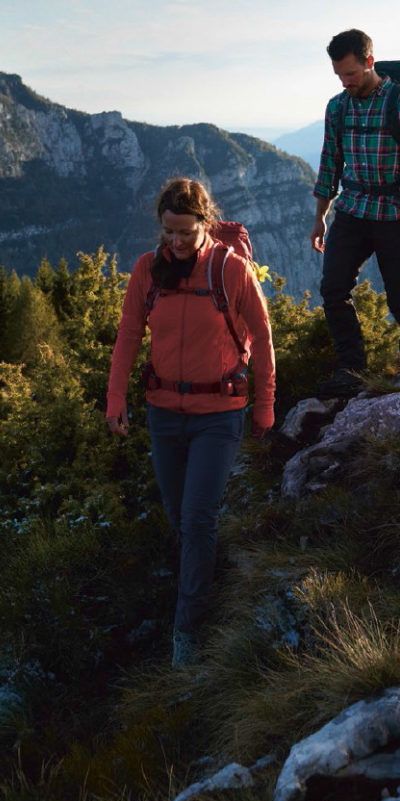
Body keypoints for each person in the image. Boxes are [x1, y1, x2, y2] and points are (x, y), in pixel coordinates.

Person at [106, 177, 275, 668]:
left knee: (198, 518)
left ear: (206, 225)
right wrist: (116, 398)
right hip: (163, 414)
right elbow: (128, 336)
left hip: (218, 417)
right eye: (168, 233)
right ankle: (209, 582)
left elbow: (263, 340)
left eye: (185, 233)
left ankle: (188, 634)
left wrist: (264, 406)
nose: (176, 243)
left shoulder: (230, 270)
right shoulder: (147, 271)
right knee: (181, 517)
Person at [310, 28, 400, 396]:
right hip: (353, 209)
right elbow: (329, 165)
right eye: (339, 75)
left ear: (369, 62)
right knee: (333, 288)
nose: (346, 82)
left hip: (396, 211)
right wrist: (320, 217)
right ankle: (351, 369)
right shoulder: (338, 107)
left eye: (351, 74)